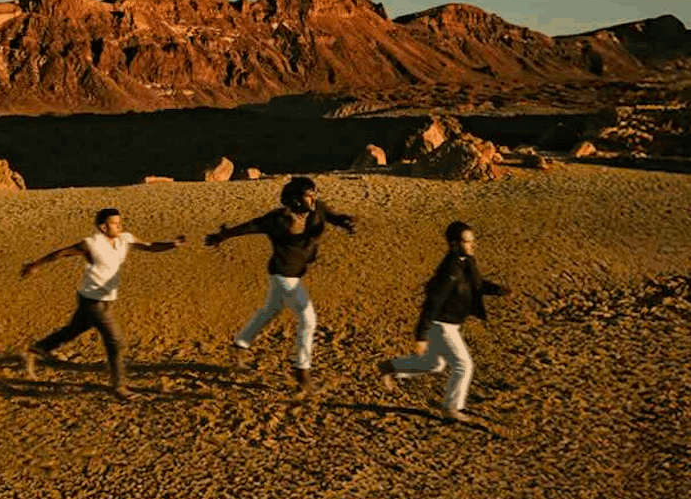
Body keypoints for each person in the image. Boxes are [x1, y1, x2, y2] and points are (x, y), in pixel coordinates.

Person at [204, 175, 355, 392]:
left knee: (270, 311)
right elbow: (250, 226)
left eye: (314, 194)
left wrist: (344, 221)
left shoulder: (317, 210)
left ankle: (239, 345)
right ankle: (302, 372)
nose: (313, 199)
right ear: (295, 200)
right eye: (309, 196)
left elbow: (332, 216)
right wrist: (223, 235)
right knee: (308, 320)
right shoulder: (278, 219)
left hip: (295, 273)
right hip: (284, 275)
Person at [20, 208, 185, 401]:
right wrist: (35, 265)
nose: (119, 226)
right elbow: (61, 253)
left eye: (119, 222)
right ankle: (119, 386)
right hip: (93, 302)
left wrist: (172, 244)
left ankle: (36, 349)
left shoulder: (125, 239)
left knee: (72, 330)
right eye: (114, 223)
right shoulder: (91, 244)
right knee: (116, 341)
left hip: (104, 301)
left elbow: (150, 246)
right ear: (103, 227)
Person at [377, 220, 509, 423]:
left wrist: (497, 290)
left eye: (472, 241)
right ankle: (451, 408)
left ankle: (390, 366)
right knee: (463, 365)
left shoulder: (466, 261)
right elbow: (433, 303)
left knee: (434, 364)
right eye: (467, 241)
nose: (473, 245)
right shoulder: (450, 271)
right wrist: (421, 336)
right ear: (454, 244)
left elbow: (476, 284)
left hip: (451, 324)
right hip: (441, 326)